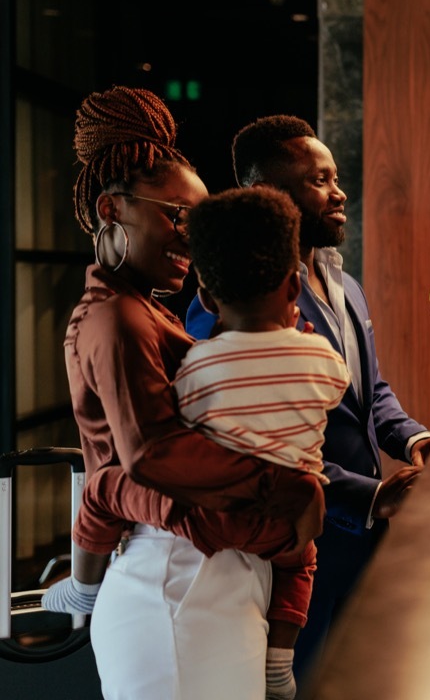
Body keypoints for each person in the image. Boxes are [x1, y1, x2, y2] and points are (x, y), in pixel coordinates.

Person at [62, 86, 325, 699]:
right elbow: (151, 456)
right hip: (173, 582)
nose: (191, 240)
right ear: (111, 209)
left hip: (198, 576)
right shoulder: (118, 317)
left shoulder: (146, 310)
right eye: (178, 217)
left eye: (200, 226)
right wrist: (285, 488)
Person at [186, 115, 430, 680]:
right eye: (319, 180)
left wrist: (414, 438)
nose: (339, 191)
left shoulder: (346, 284)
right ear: (267, 194)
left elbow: (370, 392)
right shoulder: (227, 304)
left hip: (364, 542)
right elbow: (248, 443)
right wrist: (371, 496)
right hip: (289, 547)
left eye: (336, 177)